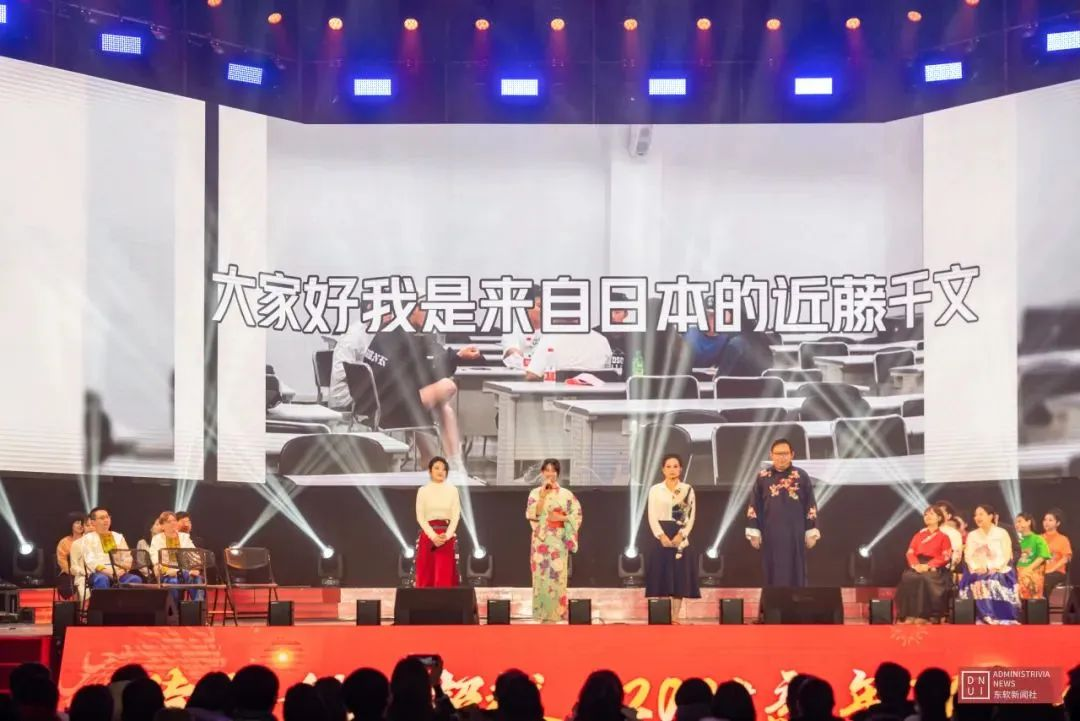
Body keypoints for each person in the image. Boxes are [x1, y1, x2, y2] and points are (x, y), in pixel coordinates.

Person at [363, 302, 480, 470]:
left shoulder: (387, 330)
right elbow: (432, 369)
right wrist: (458, 355)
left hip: (374, 405)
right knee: (448, 386)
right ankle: (451, 464)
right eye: (426, 309)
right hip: (390, 409)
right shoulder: (410, 338)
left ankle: (437, 460)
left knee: (443, 408)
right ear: (412, 311)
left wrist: (454, 355)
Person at [746, 439, 821, 588]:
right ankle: (773, 601)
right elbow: (754, 505)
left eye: (785, 453)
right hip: (770, 532)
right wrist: (754, 531)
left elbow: (810, 504)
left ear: (792, 455)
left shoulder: (801, 475)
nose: (782, 457)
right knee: (772, 570)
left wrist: (811, 531)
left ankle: (797, 601)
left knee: (796, 569)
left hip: (796, 532)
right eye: (778, 454)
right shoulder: (763, 476)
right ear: (771, 455)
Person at [525, 459, 583, 622]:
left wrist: (561, 517)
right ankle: (541, 613)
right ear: (542, 472)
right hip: (541, 540)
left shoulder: (566, 494)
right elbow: (532, 514)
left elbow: (577, 515)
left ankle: (557, 613)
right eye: (547, 470)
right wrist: (542, 497)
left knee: (557, 576)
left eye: (553, 470)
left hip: (558, 540)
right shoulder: (535, 493)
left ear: (558, 473)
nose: (550, 474)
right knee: (541, 576)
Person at [645, 454, 700, 622]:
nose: (672, 470)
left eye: (675, 466)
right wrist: (661, 535)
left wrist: (681, 535)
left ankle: (675, 616)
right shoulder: (655, 489)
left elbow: (690, 516)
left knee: (678, 578)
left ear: (681, 469)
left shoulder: (687, 489)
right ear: (663, 469)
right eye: (668, 466)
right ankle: (662, 616)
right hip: (661, 534)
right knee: (661, 575)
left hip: (680, 535)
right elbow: (651, 515)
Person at [959, 503, 1021, 624]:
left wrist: (993, 567)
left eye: (981, 514)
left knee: (994, 578)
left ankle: (1002, 616)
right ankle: (985, 615)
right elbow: (968, 556)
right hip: (977, 569)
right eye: (975, 515)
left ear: (991, 516)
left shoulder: (1002, 533)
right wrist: (977, 567)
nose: (977, 517)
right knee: (979, 579)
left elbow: (1006, 554)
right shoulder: (972, 535)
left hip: (1000, 568)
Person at [895, 507, 952, 624]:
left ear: (939, 518)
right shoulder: (918, 535)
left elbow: (946, 556)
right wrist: (916, 565)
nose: (927, 516)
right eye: (925, 514)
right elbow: (910, 552)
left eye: (931, 514)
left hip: (934, 566)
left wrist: (929, 565)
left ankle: (927, 615)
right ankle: (910, 614)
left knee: (925, 578)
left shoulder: (944, 537)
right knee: (909, 577)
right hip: (918, 564)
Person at [414, 457, 462, 588]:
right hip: (428, 536)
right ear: (430, 471)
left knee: (443, 577)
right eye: (437, 468)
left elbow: (456, 516)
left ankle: (444, 601)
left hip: (446, 537)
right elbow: (420, 517)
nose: (441, 471)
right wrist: (433, 536)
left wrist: (447, 536)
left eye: (444, 469)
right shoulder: (423, 491)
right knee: (426, 576)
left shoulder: (453, 490)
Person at [149, 511, 202, 602]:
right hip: (167, 574)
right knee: (173, 582)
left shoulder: (184, 537)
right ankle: (175, 609)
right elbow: (156, 559)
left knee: (197, 579)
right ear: (162, 526)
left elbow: (195, 556)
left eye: (174, 520)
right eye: (169, 521)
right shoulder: (157, 539)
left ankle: (199, 607)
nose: (173, 523)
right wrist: (171, 571)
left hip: (185, 572)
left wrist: (195, 568)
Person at [83, 507, 142, 590]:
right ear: (93, 522)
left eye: (107, 517)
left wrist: (122, 570)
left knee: (135, 579)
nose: (106, 520)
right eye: (102, 518)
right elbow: (90, 560)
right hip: (99, 573)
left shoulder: (118, 537)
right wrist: (108, 572)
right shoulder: (88, 538)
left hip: (119, 572)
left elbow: (127, 557)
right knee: (102, 579)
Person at [329, 306, 375, 410]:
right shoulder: (355, 335)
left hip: (357, 393)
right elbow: (342, 372)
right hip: (345, 400)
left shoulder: (372, 330)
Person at [523, 330, 613, 381]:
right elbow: (609, 372)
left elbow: (532, 375)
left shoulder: (550, 338)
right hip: (596, 401)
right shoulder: (602, 340)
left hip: (556, 400)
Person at [502, 285, 543, 368]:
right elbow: (512, 351)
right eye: (540, 306)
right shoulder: (512, 329)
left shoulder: (553, 329)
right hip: (520, 372)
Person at [1041, 508, 1072, 598]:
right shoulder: (1038, 538)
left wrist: (1051, 569)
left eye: (1050, 520)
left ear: (1057, 523)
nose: (1046, 522)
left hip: (1056, 572)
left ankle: (1043, 605)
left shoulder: (1063, 539)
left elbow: (1066, 558)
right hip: (1040, 571)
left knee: (1045, 581)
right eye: (1045, 520)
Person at [56, 512, 86, 600]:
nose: (80, 525)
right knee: (69, 583)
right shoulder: (64, 542)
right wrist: (74, 572)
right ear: (71, 525)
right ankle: (76, 605)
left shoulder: (88, 539)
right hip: (69, 572)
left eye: (82, 523)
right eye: (77, 523)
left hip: (87, 572)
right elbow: (62, 561)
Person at [934, 501, 964, 569]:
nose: (938, 515)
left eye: (941, 512)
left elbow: (956, 556)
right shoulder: (924, 531)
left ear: (949, 516)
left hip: (943, 568)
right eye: (935, 512)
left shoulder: (954, 534)